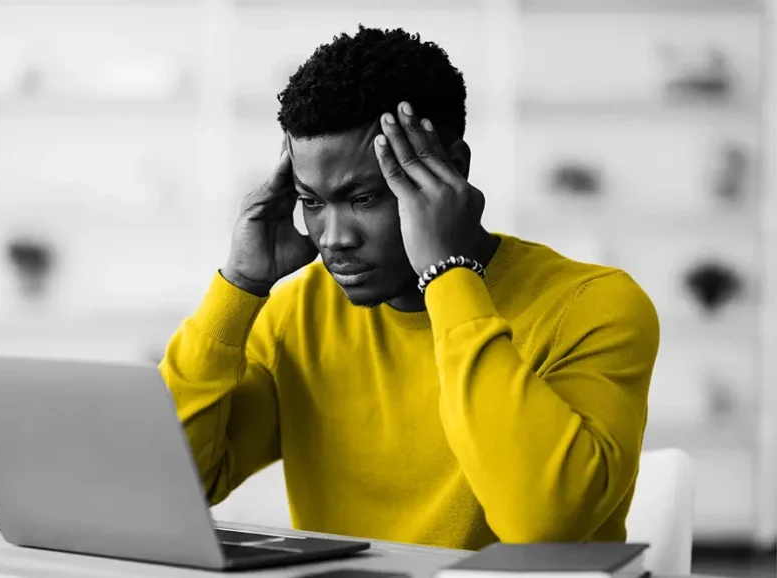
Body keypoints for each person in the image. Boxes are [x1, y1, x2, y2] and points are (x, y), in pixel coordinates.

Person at [159, 25, 659, 550]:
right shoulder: (298, 315)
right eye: (311, 202)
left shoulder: (592, 306)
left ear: (452, 171)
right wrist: (238, 288)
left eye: (365, 199)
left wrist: (447, 275)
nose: (334, 238)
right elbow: (174, 485)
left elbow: (543, 523)